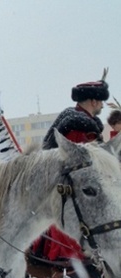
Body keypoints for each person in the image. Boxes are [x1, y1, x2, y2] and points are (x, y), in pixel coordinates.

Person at [33, 73, 109, 263]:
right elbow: (83, 170)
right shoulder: (80, 126)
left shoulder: (73, 117)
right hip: (73, 195)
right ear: (92, 101)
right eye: (100, 101)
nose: (102, 105)